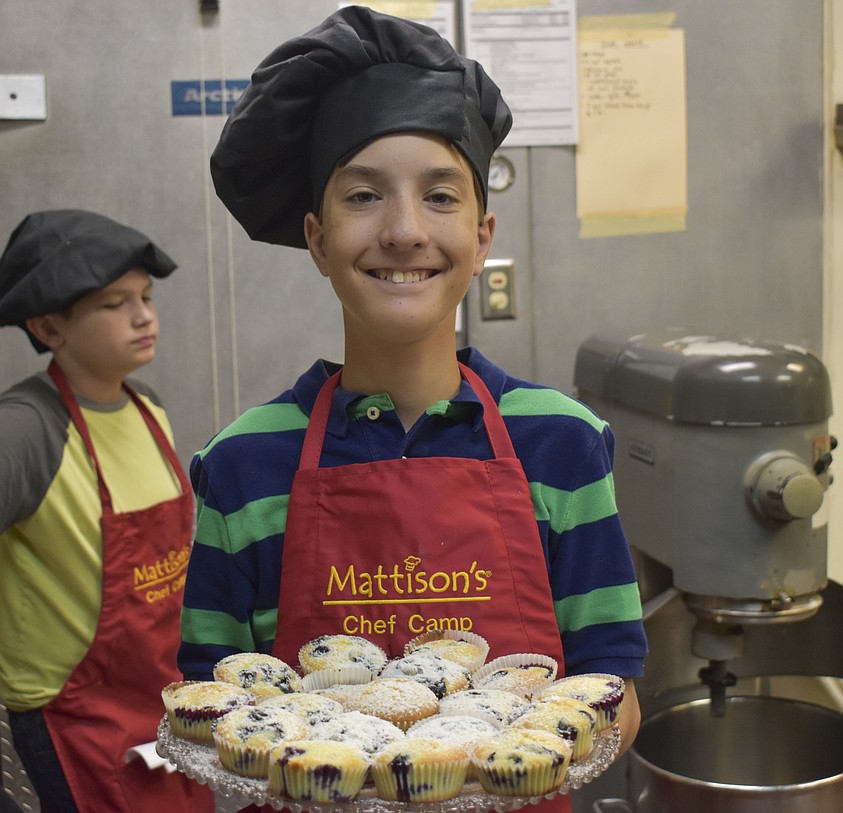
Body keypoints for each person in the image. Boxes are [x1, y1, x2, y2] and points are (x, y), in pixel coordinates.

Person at [179, 7, 648, 811]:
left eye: (439, 196)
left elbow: (613, 692)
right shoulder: (243, 463)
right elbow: (215, 706)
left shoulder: (561, 443)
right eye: (364, 196)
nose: (403, 230)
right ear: (318, 238)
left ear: (481, 232)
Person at [0, 210, 213, 813]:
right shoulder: (24, 430)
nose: (144, 316)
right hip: (74, 711)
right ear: (48, 326)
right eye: (114, 303)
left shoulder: (147, 407)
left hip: (160, 694)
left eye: (144, 296)